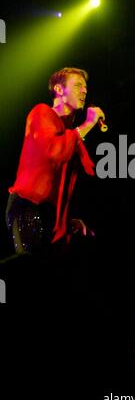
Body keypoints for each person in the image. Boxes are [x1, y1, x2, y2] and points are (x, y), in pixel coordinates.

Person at [6, 66, 104, 304]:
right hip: (29, 205)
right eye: (78, 85)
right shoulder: (42, 113)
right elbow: (54, 150)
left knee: (52, 285)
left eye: (86, 87)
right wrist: (87, 125)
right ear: (59, 89)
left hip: (48, 213)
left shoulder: (67, 131)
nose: (84, 91)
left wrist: (66, 218)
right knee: (33, 278)